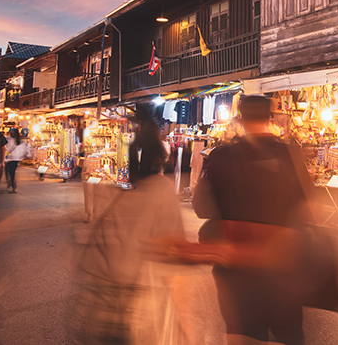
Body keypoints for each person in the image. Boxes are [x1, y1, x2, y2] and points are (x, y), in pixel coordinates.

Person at [193, 95, 318, 345]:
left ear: (240, 119)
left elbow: (200, 206)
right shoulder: (290, 155)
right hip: (282, 264)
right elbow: (308, 204)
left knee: (245, 334)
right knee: (289, 335)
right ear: (270, 118)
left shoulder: (222, 156)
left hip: (237, 268)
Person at [79, 106, 183, 344]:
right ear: (161, 156)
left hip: (108, 291)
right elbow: (173, 246)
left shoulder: (116, 188)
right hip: (142, 298)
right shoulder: (162, 190)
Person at [4, 128, 26, 193]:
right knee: (12, 173)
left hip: (9, 159)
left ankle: (12, 186)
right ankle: (12, 186)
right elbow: (22, 152)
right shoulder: (20, 142)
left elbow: (6, 149)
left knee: (9, 173)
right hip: (16, 159)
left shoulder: (8, 140)